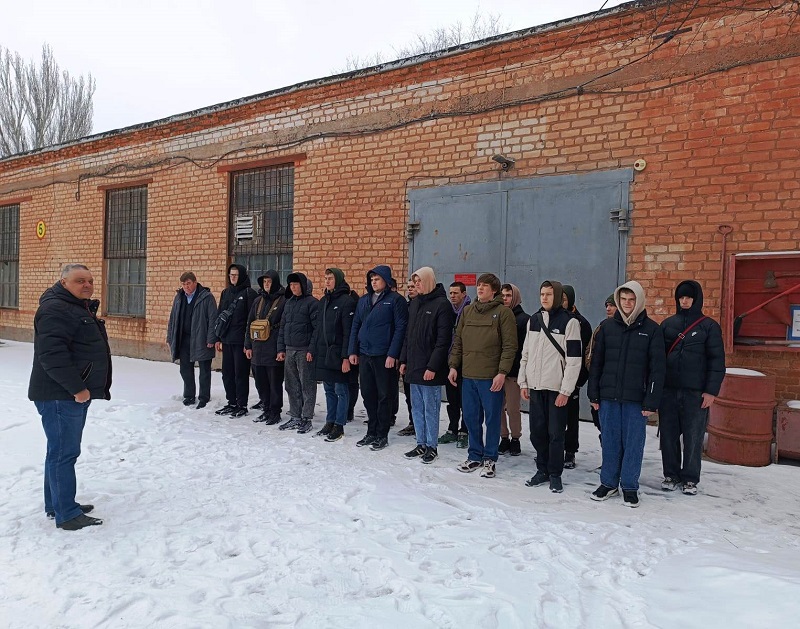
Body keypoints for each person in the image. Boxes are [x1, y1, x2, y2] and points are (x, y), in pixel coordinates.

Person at [28, 264, 111, 530]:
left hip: (65, 394)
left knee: (58, 451)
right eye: (79, 281)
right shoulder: (56, 309)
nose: (87, 285)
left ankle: (57, 504)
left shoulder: (73, 306)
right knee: (64, 453)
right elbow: (52, 355)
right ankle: (66, 513)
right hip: (61, 395)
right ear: (63, 282)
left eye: (90, 281)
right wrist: (77, 388)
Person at [588, 281, 666, 507]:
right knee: (610, 441)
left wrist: (651, 400)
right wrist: (594, 394)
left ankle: (630, 485)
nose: (627, 304)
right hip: (608, 397)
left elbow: (657, 369)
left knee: (633, 443)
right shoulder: (607, 328)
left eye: (632, 300)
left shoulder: (652, 330)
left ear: (639, 301)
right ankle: (609, 483)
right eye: (623, 300)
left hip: (636, 400)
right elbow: (597, 364)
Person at [659, 280, 725, 495]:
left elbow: (716, 362)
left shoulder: (709, 327)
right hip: (668, 391)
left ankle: (690, 478)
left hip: (695, 393)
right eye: (681, 297)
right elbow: (657, 359)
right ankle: (670, 474)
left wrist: (711, 391)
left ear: (696, 299)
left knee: (693, 437)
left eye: (688, 297)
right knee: (668, 436)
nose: (685, 300)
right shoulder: (668, 325)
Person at [449, 273, 517, 479]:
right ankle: (474, 455)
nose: (480, 289)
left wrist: (502, 373)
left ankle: (490, 458)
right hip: (468, 375)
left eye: (485, 286)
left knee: (493, 418)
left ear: (494, 290)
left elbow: (509, 346)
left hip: (490, 377)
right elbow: (458, 341)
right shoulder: (468, 312)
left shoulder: (503, 313)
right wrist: (453, 366)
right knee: (470, 417)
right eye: (479, 285)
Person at [519, 281, 583, 493]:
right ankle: (542, 470)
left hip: (556, 389)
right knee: (537, 432)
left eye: (548, 294)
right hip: (536, 387)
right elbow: (525, 354)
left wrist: (566, 391)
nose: (544, 298)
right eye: (541, 294)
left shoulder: (570, 322)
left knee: (556, 434)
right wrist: (523, 382)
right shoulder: (534, 321)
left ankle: (555, 474)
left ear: (557, 296)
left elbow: (574, 360)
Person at [349, 265, 408, 451]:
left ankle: (382, 433)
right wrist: (352, 351)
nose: (374, 282)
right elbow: (355, 325)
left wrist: (393, 354)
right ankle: (371, 431)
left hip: (384, 355)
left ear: (386, 280)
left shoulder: (395, 300)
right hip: (365, 354)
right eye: (372, 279)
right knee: (368, 394)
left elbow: (400, 328)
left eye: (378, 279)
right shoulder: (364, 300)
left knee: (384, 396)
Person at [399, 267, 454, 464]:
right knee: (416, 408)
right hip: (413, 365)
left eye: (419, 282)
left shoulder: (442, 305)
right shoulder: (414, 304)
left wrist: (432, 367)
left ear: (429, 281)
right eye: (415, 282)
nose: (416, 285)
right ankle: (420, 443)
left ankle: (432, 445)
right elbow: (408, 335)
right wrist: (403, 360)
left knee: (430, 409)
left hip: (430, 369)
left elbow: (443, 341)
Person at [311, 268, 357, 442]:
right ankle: (330, 421)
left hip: (339, 353)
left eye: (330, 278)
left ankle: (339, 424)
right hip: (324, 353)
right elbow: (318, 329)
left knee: (341, 390)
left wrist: (346, 357)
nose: (327, 281)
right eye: (325, 278)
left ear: (338, 280)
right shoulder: (323, 301)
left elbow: (348, 332)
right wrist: (313, 350)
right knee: (329, 389)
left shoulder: (347, 301)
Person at [166, 272, 217, 409]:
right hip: (184, 339)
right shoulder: (179, 297)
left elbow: (213, 319)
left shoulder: (206, 297)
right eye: (183, 284)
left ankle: (204, 397)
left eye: (188, 283)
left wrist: (211, 338)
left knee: (204, 370)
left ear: (195, 282)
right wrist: (170, 337)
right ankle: (189, 395)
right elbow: (173, 318)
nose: (186, 287)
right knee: (185, 369)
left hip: (202, 338)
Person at [277, 272, 319, 434]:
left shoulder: (312, 303)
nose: (293, 287)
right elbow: (283, 327)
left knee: (307, 385)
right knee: (291, 385)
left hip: (304, 351)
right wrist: (281, 349)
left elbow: (316, 330)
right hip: (289, 349)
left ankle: (306, 417)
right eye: (291, 285)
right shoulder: (288, 303)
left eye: (296, 284)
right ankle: (295, 415)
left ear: (303, 286)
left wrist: (311, 349)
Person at [215, 264, 258, 417]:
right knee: (227, 373)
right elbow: (220, 315)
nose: (232, 277)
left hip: (241, 341)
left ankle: (241, 404)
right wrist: (218, 338)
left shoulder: (249, 293)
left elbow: (251, 319)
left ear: (242, 276)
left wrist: (248, 343)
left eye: (235, 275)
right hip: (226, 339)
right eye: (230, 275)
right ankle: (231, 402)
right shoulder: (226, 292)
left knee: (240, 374)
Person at [245, 271, 286, 424]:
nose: (267, 284)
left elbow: (284, 327)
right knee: (260, 382)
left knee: (274, 383)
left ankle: (275, 411)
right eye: (264, 282)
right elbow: (249, 324)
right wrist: (247, 345)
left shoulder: (283, 300)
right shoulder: (257, 301)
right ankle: (266, 408)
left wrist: (281, 349)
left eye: (269, 281)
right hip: (257, 348)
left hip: (273, 348)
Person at [561, 285, 593, 469]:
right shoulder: (549, 319)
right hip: (552, 378)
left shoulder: (581, 323)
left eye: (564, 299)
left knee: (570, 419)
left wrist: (579, 380)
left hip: (572, 380)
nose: (561, 302)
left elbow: (585, 354)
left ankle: (570, 451)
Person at [439, 281, 471, 447]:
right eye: (450, 293)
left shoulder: (469, 311)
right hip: (449, 361)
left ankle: (465, 431)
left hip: (465, 362)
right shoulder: (447, 311)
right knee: (452, 400)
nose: (452, 296)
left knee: (465, 399)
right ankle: (452, 428)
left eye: (456, 293)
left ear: (464, 294)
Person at [499, 283, 528, 457]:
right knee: (498, 408)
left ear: (515, 297)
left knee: (513, 408)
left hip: (514, 372)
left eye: (508, 295)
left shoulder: (524, 319)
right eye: (502, 295)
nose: (505, 298)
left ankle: (515, 438)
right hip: (496, 372)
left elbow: (525, 349)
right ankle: (503, 437)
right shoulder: (498, 315)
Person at [586, 294, 617, 435]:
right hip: (600, 381)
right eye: (607, 306)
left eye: (612, 305)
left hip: (614, 384)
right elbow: (590, 351)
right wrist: (591, 367)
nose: (608, 309)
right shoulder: (602, 327)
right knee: (599, 419)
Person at [397, 278, 418, 438]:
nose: (410, 289)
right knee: (409, 394)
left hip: (421, 359)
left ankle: (420, 425)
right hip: (407, 356)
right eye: (408, 287)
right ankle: (413, 422)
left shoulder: (424, 305)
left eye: (413, 287)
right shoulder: (407, 306)